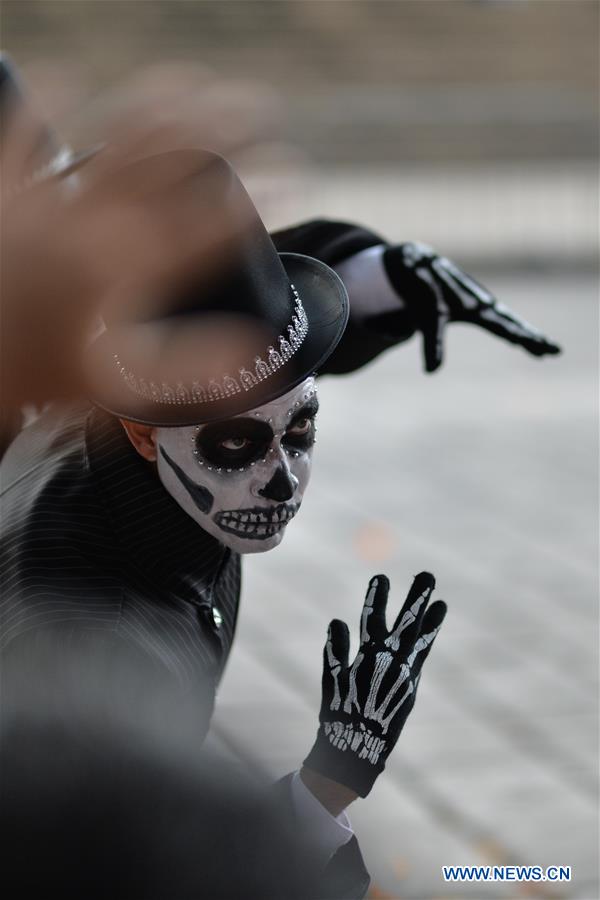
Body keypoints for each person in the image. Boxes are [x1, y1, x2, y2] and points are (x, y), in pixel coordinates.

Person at [1, 140, 560, 897]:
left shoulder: (126, 393)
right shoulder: (91, 645)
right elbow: (150, 867)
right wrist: (324, 786)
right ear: (139, 430)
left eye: (301, 429)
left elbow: (242, 308)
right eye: (237, 445)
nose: (281, 481)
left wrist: (380, 275)